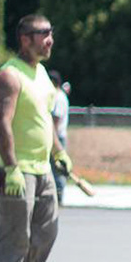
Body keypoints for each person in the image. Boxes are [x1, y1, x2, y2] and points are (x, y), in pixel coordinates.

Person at [0, 14, 67, 262]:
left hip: (42, 167)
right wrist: (10, 168)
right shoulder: (10, 75)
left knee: (46, 232)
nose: (50, 39)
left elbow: (45, 119)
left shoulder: (42, 74)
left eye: (51, 33)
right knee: (14, 238)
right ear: (25, 38)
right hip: (17, 170)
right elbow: (2, 122)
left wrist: (59, 152)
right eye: (43, 34)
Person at [47, 69, 71, 202]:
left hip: (57, 137)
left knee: (58, 168)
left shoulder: (59, 97)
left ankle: (59, 193)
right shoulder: (54, 95)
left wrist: (52, 139)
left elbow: (56, 120)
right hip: (55, 136)